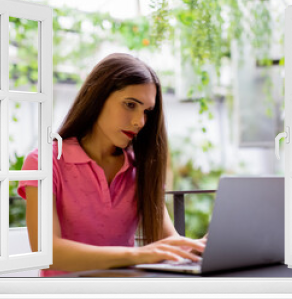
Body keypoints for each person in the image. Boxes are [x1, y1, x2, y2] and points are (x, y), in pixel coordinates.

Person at [17, 53, 206, 277]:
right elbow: (48, 253)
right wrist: (137, 255)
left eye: (146, 111)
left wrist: (203, 248)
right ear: (97, 97)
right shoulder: (44, 162)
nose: (139, 121)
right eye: (130, 105)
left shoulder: (139, 169)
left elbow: (168, 242)